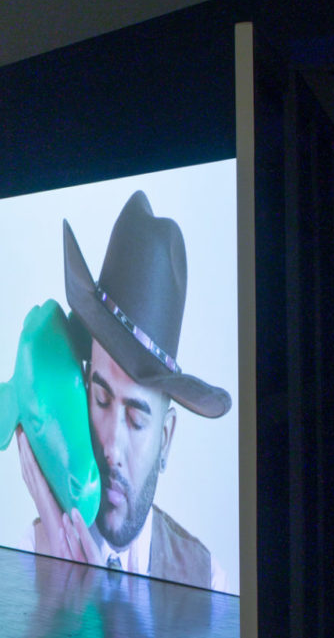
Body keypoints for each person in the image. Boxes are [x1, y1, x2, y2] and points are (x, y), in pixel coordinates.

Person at [18, 190, 232, 589]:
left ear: (165, 440)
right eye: (100, 400)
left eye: (136, 419)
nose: (111, 448)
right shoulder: (29, 552)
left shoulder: (208, 585)